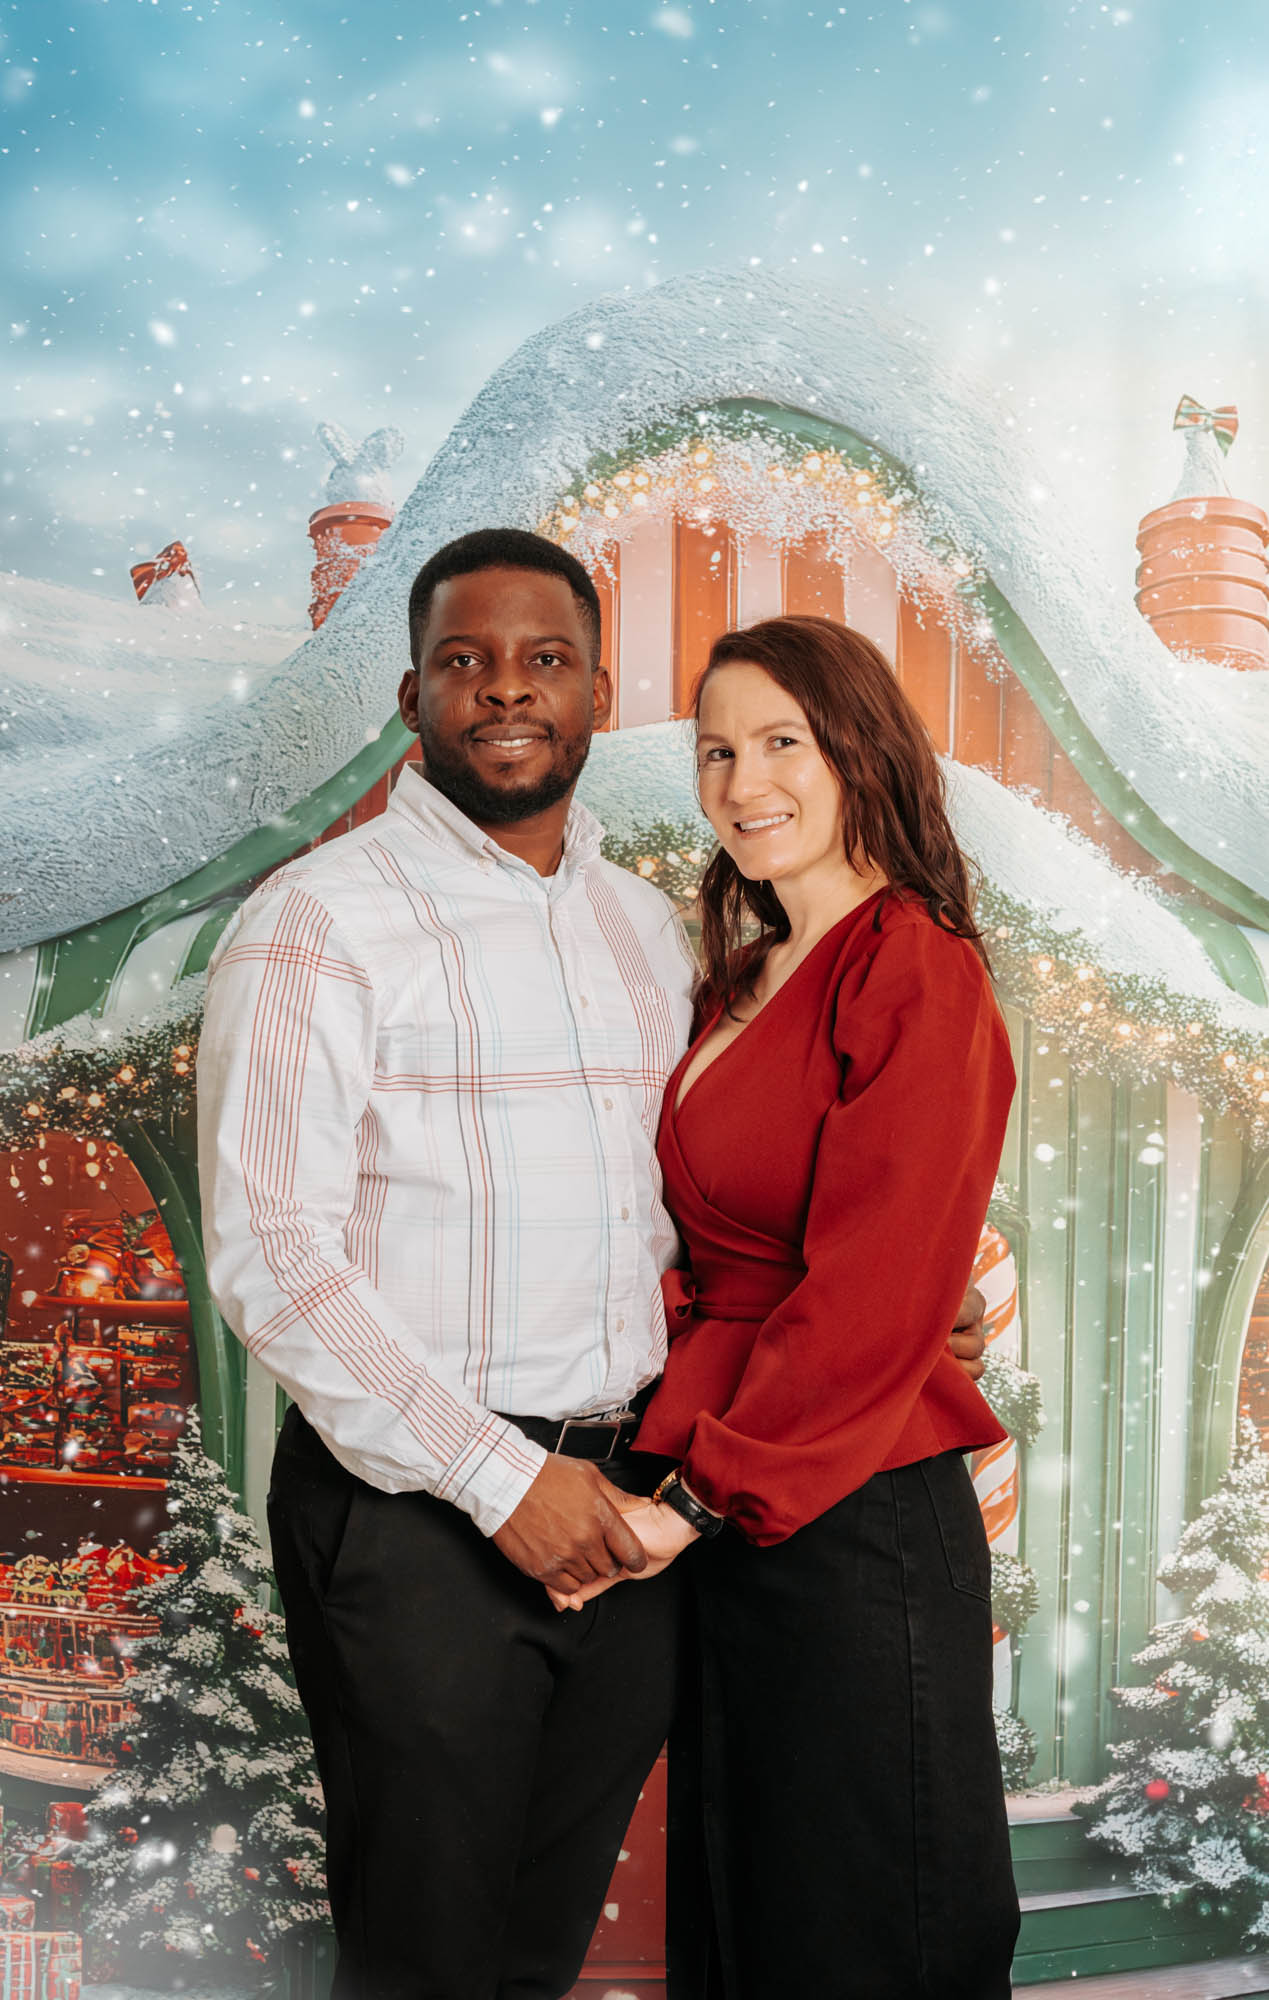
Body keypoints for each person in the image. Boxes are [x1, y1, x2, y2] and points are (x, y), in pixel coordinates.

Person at [196, 533, 992, 2000]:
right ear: (411, 695)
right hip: (422, 1515)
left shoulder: (652, 930)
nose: (507, 691)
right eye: (465, 661)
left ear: (594, 693)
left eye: (544, 659)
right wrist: (507, 1482)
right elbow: (274, 1256)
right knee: (426, 1958)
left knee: (548, 1946)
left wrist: (901, 1315)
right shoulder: (317, 922)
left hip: (636, 1510)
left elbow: (746, 1219)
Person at [559, 614, 1022, 1999]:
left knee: (861, 1924)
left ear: (858, 750)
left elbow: (877, 1281)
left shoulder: (913, 963)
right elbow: (683, 1248)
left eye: (782, 742)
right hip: (727, 1485)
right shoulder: (736, 983)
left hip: (849, 1510)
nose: (741, 781)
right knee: (746, 1908)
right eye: (716, 750)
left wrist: (699, 1500)